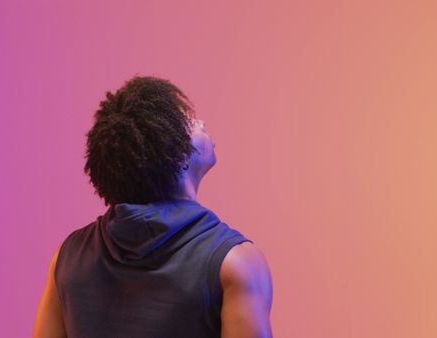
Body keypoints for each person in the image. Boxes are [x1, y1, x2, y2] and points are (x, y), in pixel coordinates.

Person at [33, 75, 273, 338]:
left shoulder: (67, 258)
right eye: (189, 123)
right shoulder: (236, 264)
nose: (202, 123)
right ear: (179, 155)